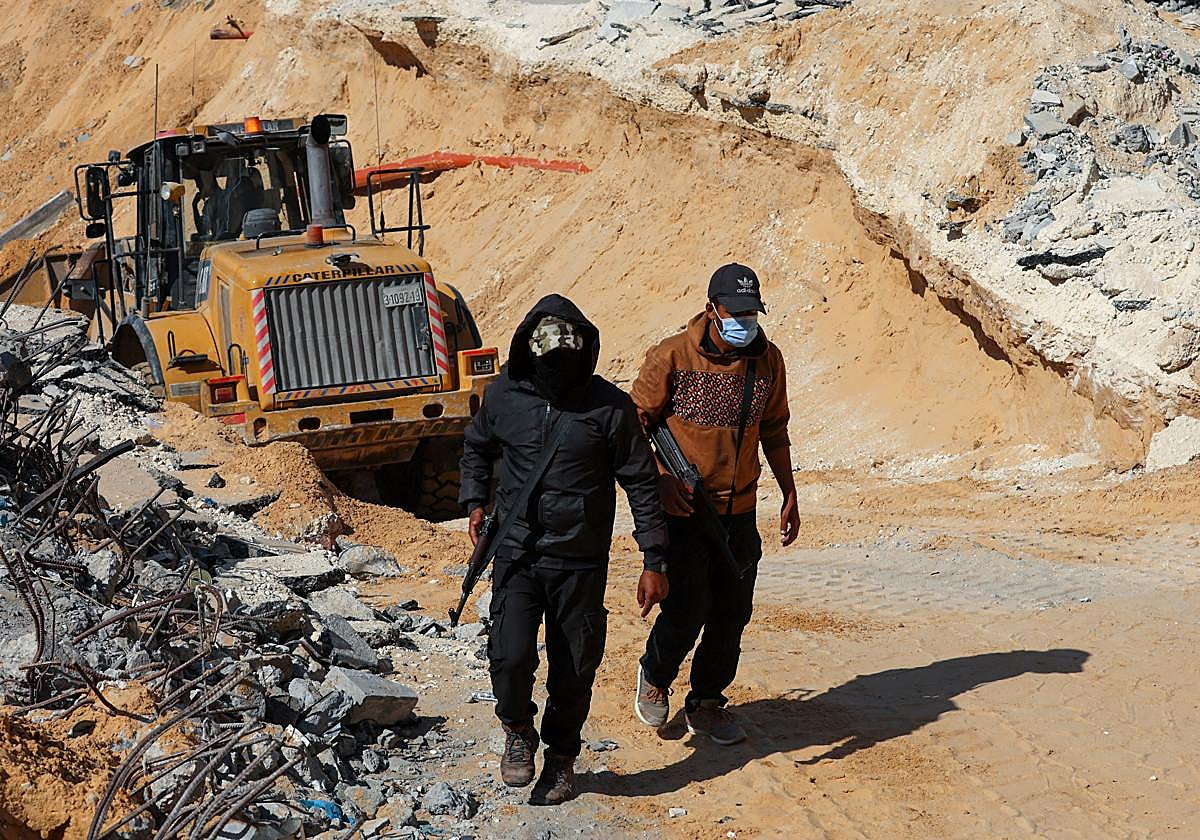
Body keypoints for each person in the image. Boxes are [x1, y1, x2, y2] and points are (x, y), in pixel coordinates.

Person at [459, 294, 670, 805]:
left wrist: (653, 559)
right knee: (509, 658)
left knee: (573, 664)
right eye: (547, 357)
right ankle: (517, 731)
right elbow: (476, 447)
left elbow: (641, 484)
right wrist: (473, 502)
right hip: (517, 552)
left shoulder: (610, 407)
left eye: (567, 357)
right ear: (530, 350)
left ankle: (560, 757)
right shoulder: (503, 395)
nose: (557, 366)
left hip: (580, 559)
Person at [631, 263, 800, 745]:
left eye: (752, 312)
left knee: (731, 612)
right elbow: (633, 428)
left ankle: (707, 700)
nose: (745, 322)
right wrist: (660, 481)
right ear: (712, 309)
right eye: (736, 312)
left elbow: (775, 429)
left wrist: (789, 492)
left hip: (740, 511)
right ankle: (656, 674)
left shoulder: (768, 361)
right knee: (686, 609)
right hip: (683, 511)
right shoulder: (672, 357)